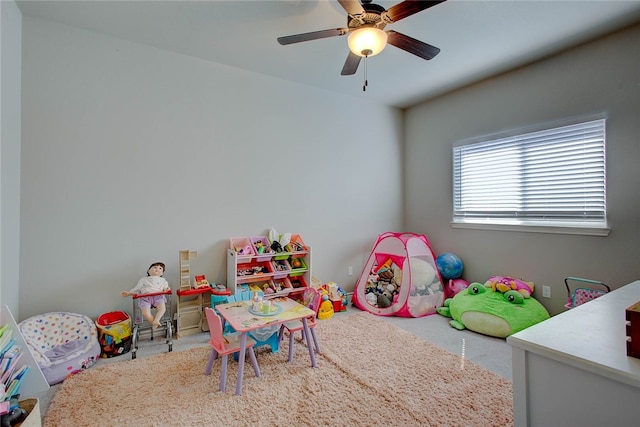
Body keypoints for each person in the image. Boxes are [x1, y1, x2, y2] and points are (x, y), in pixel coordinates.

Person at [121, 262, 170, 328]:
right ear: (149, 271)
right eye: (155, 267)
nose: (157, 269)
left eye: (160, 268)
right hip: (145, 298)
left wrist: (167, 289)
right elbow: (137, 288)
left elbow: (166, 288)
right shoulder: (143, 280)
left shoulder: (162, 280)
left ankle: (157, 320)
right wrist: (129, 293)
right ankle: (154, 322)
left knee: (162, 309)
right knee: (145, 313)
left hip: (158, 297)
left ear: (162, 273)